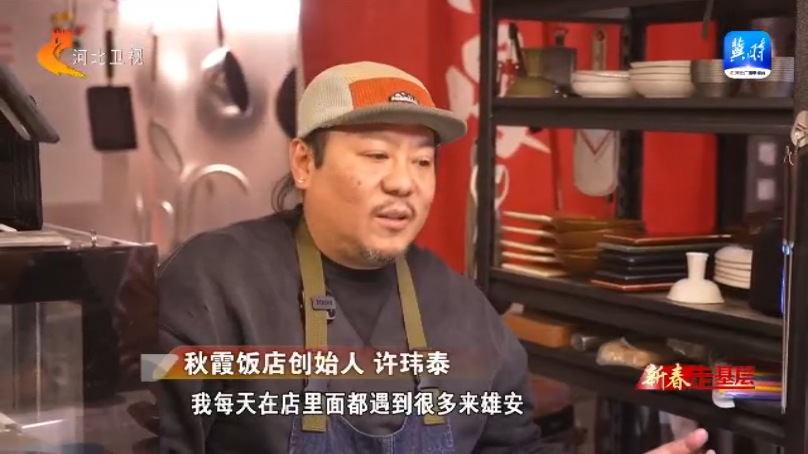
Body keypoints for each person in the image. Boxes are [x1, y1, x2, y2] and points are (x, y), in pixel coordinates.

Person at [157, 61, 713, 454]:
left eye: (422, 162)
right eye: (376, 154)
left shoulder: (464, 310)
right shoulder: (212, 283)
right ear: (304, 162)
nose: (404, 182)